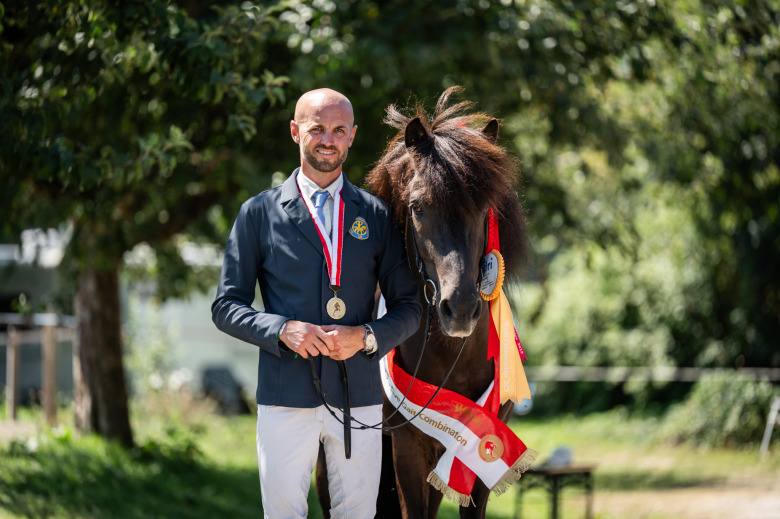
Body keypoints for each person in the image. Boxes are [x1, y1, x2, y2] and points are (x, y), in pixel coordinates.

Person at [211, 88, 421, 518]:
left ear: (352, 137)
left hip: (358, 397)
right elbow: (226, 306)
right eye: (317, 128)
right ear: (295, 132)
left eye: (339, 130)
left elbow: (410, 307)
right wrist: (281, 329)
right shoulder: (257, 214)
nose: (328, 139)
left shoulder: (377, 216)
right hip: (285, 395)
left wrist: (366, 337)